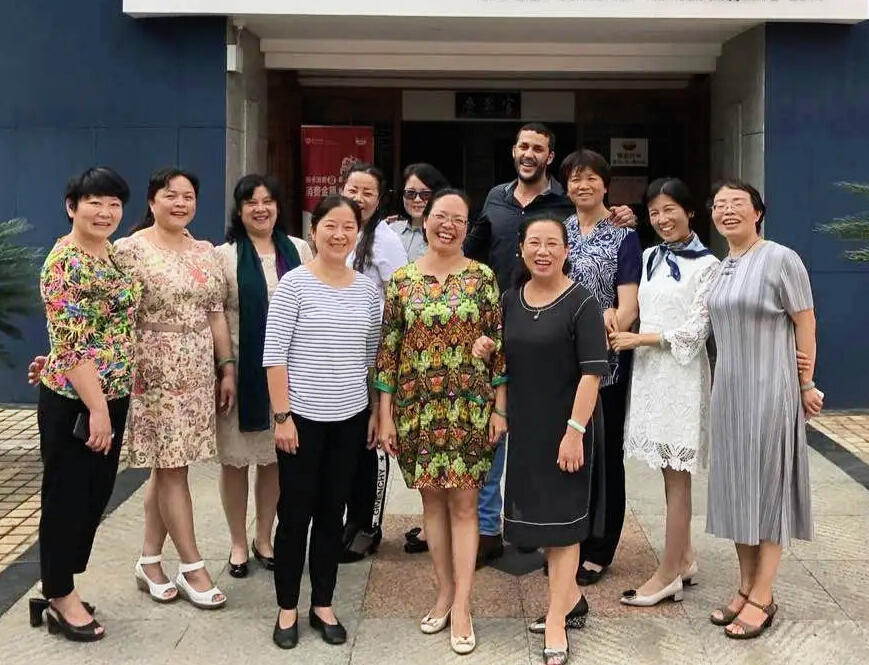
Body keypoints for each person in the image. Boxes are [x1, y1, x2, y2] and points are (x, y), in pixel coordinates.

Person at [462, 123, 636, 565]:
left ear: (548, 156)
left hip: (586, 353)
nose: (528, 153)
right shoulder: (499, 201)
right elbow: (473, 246)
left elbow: (626, 296)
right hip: (521, 336)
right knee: (520, 442)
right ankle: (511, 529)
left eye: (538, 148)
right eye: (523, 146)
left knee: (586, 448)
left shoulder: (585, 217)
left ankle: (587, 542)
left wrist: (623, 215)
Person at [376, 189, 508, 655]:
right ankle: (444, 592)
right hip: (418, 408)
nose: (448, 225)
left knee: (466, 506)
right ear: (425, 220)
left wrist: (499, 407)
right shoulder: (403, 281)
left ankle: (465, 604)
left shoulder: (482, 278)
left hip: (470, 406)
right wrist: (385, 416)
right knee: (432, 506)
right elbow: (388, 350)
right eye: (440, 216)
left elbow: (498, 344)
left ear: (467, 226)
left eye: (458, 218)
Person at [474, 214, 609, 665]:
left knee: (565, 524)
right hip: (527, 428)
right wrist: (487, 348)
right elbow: (505, 354)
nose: (543, 251)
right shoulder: (511, 299)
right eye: (535, 242)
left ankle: (555, 622)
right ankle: (571, 601)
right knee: (541, 523)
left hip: (569, 424)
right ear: (522, 250)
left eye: (553, 243)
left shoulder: (581, 302)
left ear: (566, 250)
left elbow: (592, 373)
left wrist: (575, 433)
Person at [704, 181, 823, 639]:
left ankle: (763, 594)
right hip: (729, 392)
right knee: (738, 491)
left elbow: (805, 321)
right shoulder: (722, 267)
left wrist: (806, 383)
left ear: (758, 212)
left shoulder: (780, 258)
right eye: (720, 205)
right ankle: (744, 585)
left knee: (768, 493)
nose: (728, 211)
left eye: (738, 204)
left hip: (770, 391)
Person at [264, 195, 381, 649]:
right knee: (294, 515)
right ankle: (287, 607)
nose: (338, 234)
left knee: (334, 514)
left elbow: (371, 359)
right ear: (315, 231)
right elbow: (274, 358)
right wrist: (282, 417)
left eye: (348, 227)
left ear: (357, 233)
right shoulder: (294, 285)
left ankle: (323, 603)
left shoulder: (367, 291)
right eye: (330, 225)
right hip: (300, 421)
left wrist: (373, 411)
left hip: (349, 419)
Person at [28, 167, 139, 642]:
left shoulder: (108, 253)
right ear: (72, 206)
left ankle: (63, 581)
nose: (106, 212)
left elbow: (94, 328)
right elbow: (73, 345)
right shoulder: (65, 261)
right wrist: (95, 409)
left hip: (109, 395)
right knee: (67, 497)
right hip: (79, 402)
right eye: (94, 201)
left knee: (93, 496)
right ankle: (58, 595)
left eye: (113, 203)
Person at [116, 167, 233, 609]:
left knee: (168, 467)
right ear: (152, 201)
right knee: (172, 468)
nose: (180, 203)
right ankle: (192, 565)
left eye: (188, 196)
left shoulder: (204, 251)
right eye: (171, 195)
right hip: (154, 371)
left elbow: (216, 312)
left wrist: (226, 367)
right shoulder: (128, 251)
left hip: (198, 370)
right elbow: (116, 316)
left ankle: (149, 559)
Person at [608, 178, 719, 606]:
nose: (662, 219)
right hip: (652, 376)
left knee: (678, 478)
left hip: (682, 377)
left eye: (670, 209)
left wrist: (641, 340)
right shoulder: (650, 256)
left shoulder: (709, 265)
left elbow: (695, 332)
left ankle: (668, 572)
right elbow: (633, 307)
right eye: (654, 212)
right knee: (665, 471)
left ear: (690, 212)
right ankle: (685, 556)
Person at [214, 174, 313, 578]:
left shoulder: (301, 250)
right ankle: (238, 542)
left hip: (289, 374)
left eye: (268, 200)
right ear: (239, 210)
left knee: (275, 458)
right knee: (236, 462)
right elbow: (216, 315)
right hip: (240, 372)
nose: (261, 208)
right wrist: (226, 368)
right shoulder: (223, 256)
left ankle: (263, 537)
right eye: (251, 201)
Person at [562, 148, 641, 586]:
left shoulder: (624, 235)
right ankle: (568, 535)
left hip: (604, 360)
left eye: (591, 177)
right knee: (568, 448)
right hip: (561, 361)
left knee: (605, 455)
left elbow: (628, 304)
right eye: (575, 178)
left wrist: (612, 324)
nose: (583, 185)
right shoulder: (560, 230)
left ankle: (599, 546)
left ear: (606, 184)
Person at [339, 163, 408, 563]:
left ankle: (368, 524)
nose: (359, 197)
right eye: (353, 189)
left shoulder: (385, 240)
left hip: (375, 359)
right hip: (340, 357)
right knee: (349, 443)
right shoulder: (337, 230)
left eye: (368, 192)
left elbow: (396, 303)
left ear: (379, 199)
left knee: (372, 443)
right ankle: (348, 519)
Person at [386, 163, 450, 262]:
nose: (417, 199)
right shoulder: (390, 230)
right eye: (410, 193)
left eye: (425, 194)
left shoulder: (447, 235)